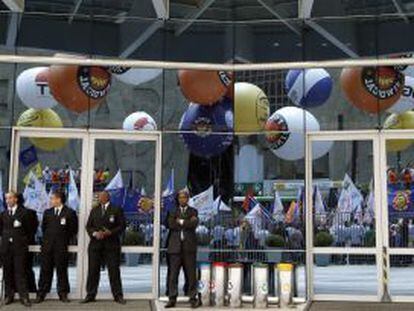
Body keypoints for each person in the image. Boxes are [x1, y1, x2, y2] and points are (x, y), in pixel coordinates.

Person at [81, 191, 126, 305]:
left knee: (114, 271)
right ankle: (90, 295)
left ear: (107, 197)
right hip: (96, 245)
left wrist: (110, 232)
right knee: (93, 271)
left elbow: (122, 226)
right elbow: (88, 226)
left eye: (101, 196)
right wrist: (95, 233)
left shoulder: (116, 209)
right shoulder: (94, 210)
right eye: (98, 197)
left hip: (111, 245)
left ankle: (118, 295)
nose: (99, 198)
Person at [36, 190, 78, 303]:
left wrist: (62, 238)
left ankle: (63, 293)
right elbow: (44, 228)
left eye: (52, 198)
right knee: (45, 271)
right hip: (47, 247)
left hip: (61, 247)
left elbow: (73, 229)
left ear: (59, 199)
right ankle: (41, 293)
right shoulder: (47, 212)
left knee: (62, 271)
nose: (51, 200)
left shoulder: (70, 212)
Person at [165, 189, 199, 309]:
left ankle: (193, 297)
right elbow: (171, 224)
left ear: (188, 199)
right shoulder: (172, 211)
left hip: (189, 248)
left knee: (191, 275)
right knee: (173, 275)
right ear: (178, 199)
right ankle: (172, 298)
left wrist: (180, 221)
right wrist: (186, 222)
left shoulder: (193, 211)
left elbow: (193, 224)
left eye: (184, 197)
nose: (182, 199)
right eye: (180, 197)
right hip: (175, 248)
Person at [0, 191, 33, 306]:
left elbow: (30, 230)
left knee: (21, 273)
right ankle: (9, 296)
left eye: (10, 198)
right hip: (6, 249)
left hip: (19, 249)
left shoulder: (24, 213)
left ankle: (24, 297)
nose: (7, 200)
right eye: (6, 198)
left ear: (16, 199)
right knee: (7, 273)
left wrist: (21, 241)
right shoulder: (3, 214)